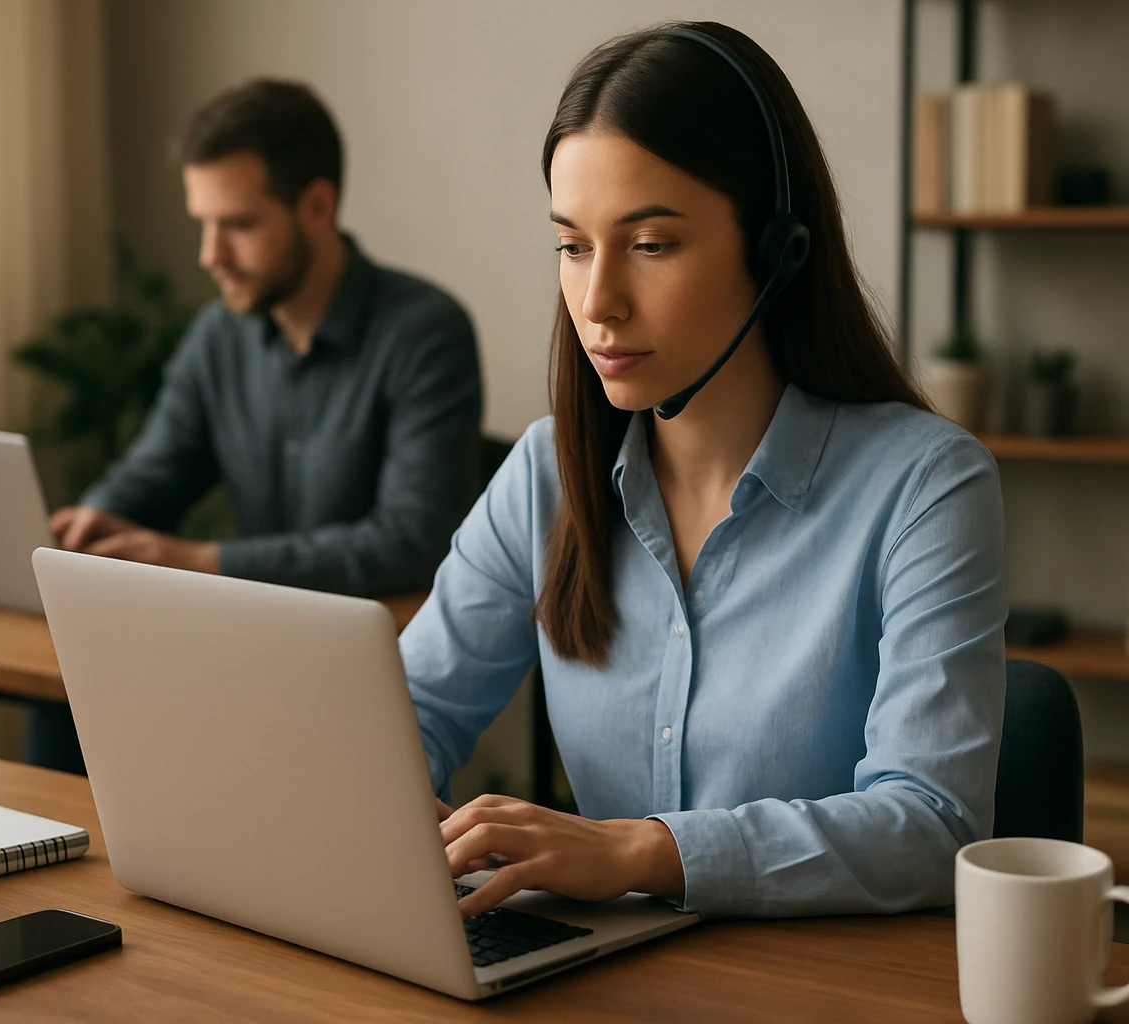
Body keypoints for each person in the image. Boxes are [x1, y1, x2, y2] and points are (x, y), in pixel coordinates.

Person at [402, 22, 1006, 920]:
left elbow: (931, 823)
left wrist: (645, 848)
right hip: (606, 983)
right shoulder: (547, 474)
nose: (597, 302)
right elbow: (403, 716)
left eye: (650, 244)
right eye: (573, 246)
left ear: (775, 250)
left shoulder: (927, 485)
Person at [33, 79, 482, 772]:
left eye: (237, 225)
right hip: (245, 650)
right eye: (202, 223)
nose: (210, 254)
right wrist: (88, 525)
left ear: (317, 206)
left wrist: (204, 563)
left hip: (362, 674)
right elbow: (156, 469)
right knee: (67, 689)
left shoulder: (424, 332)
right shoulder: (220, 336)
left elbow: (412, 540)